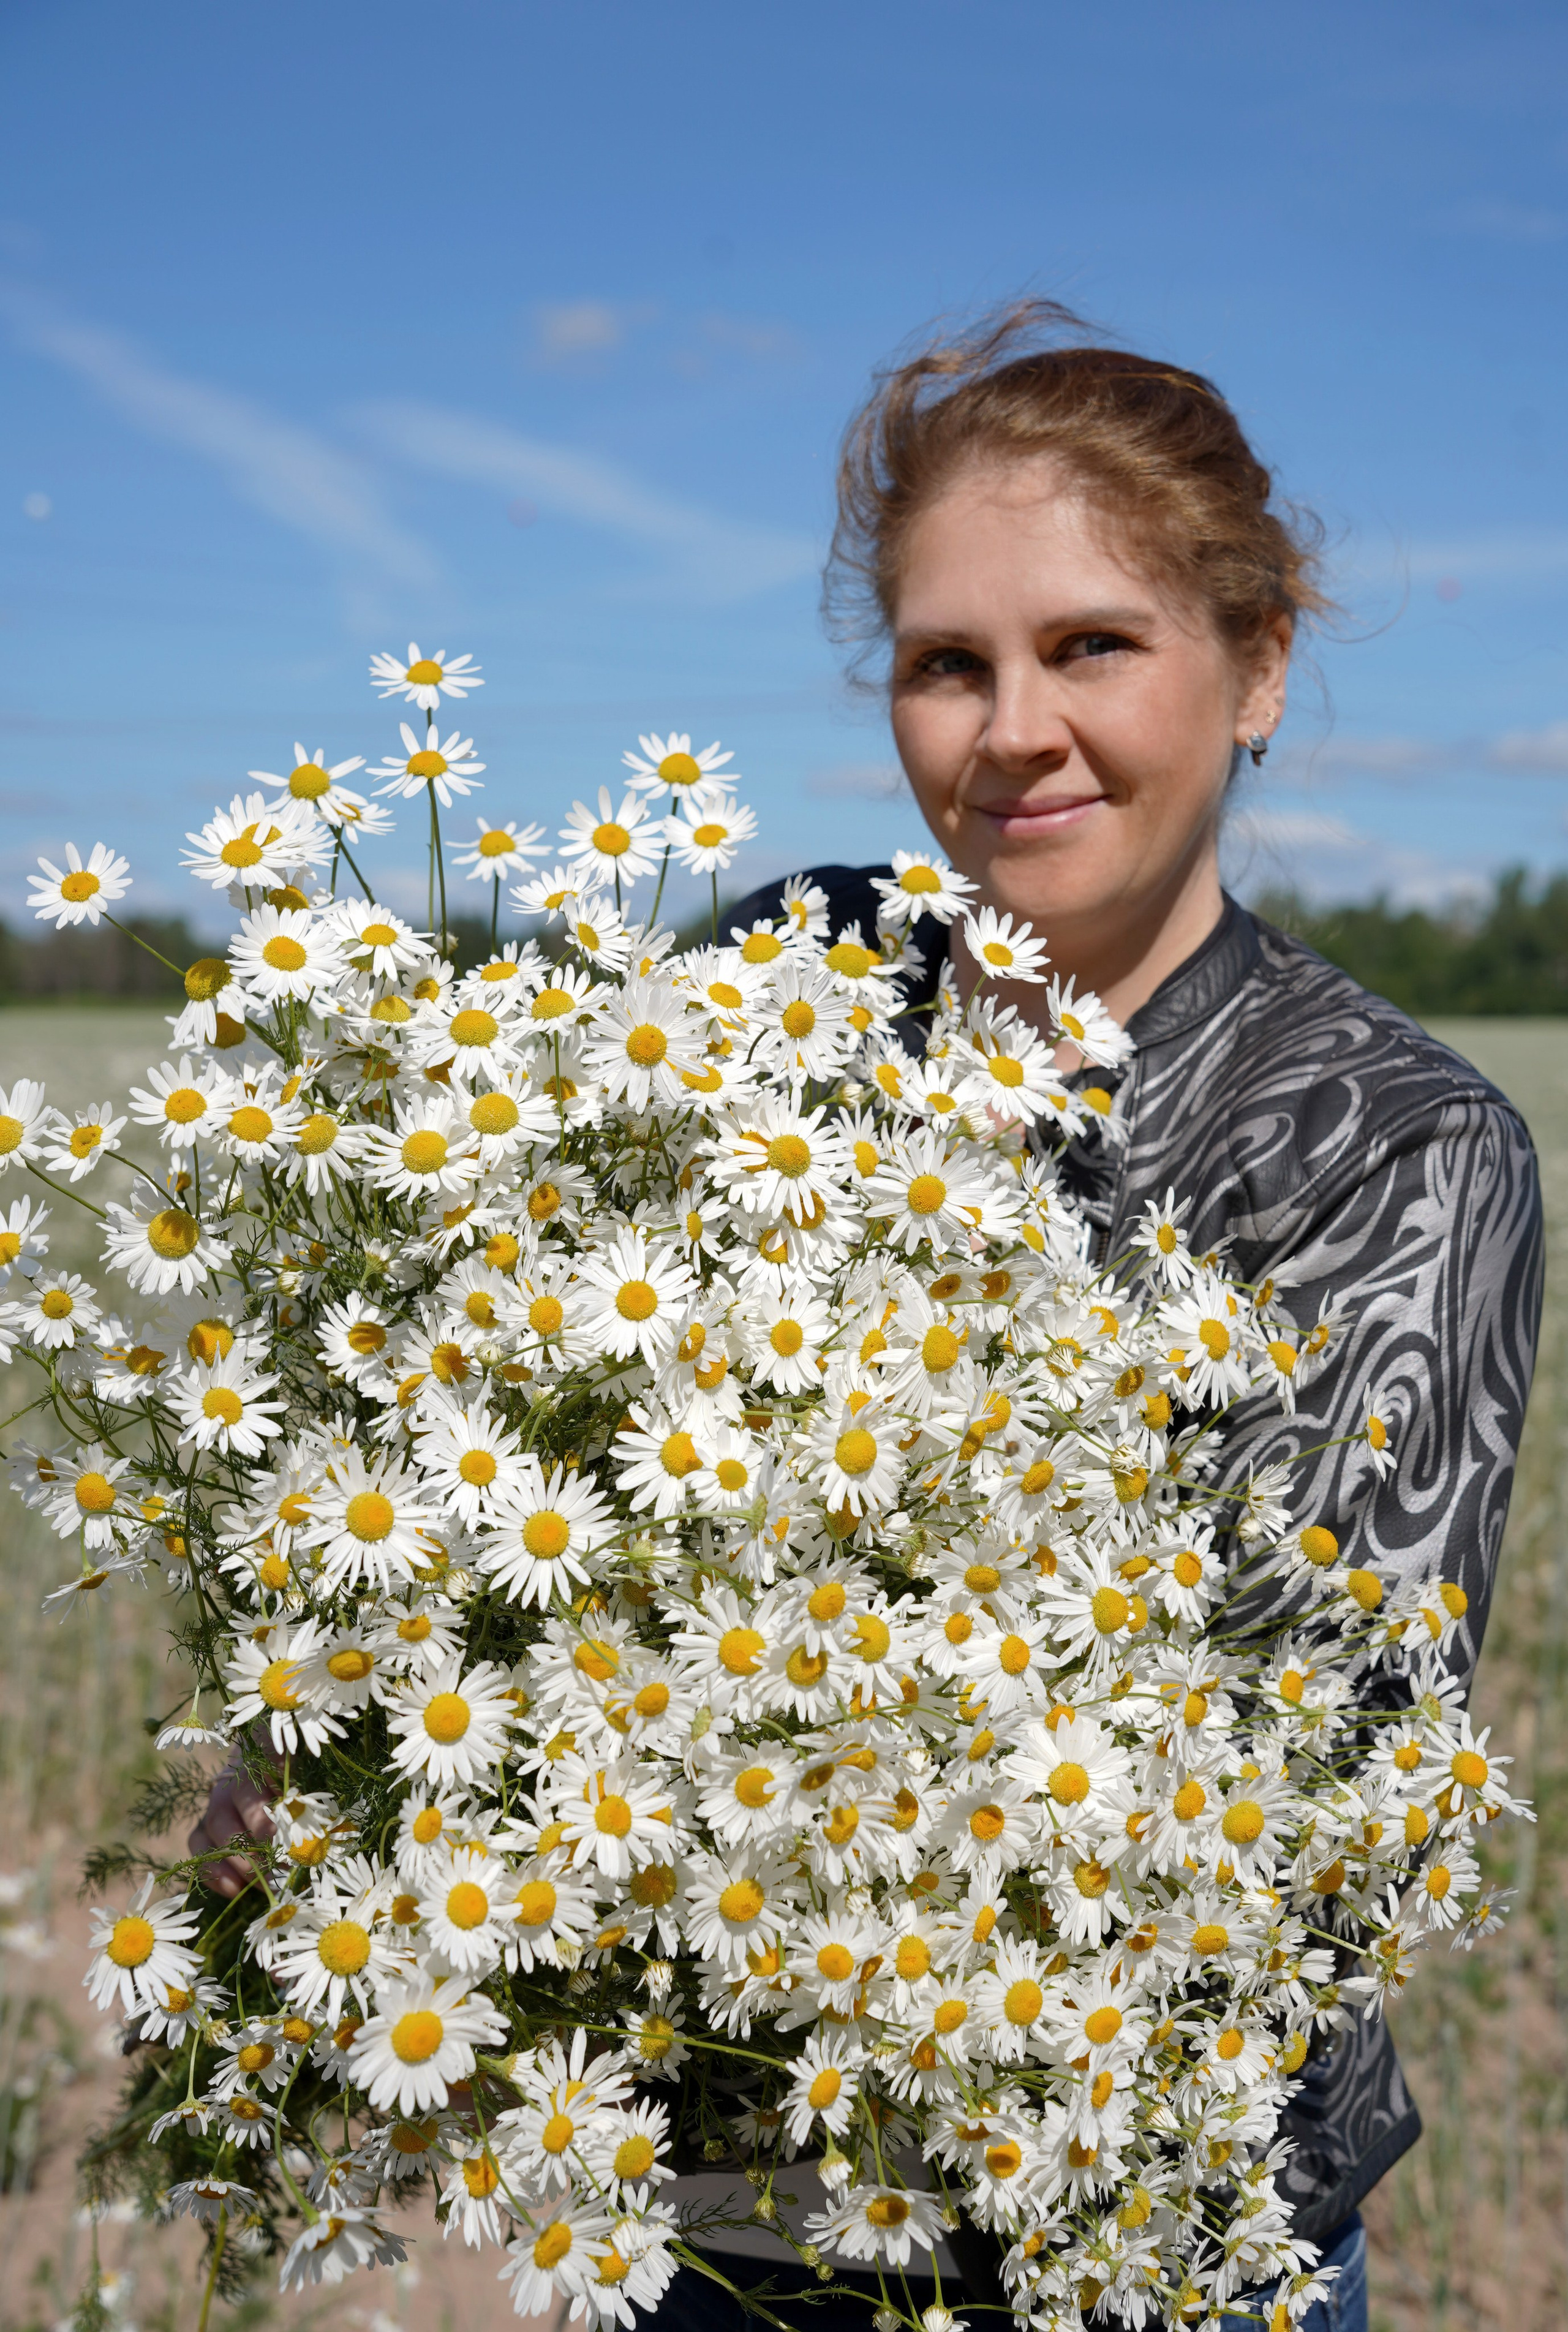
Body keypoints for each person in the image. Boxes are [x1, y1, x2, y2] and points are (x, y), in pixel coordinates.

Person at [193, 303, 1542, 2332]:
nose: (1014, 730)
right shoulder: (796, 964)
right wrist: (343, 1740)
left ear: (1257, 667)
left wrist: (663, 1783)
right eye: (947, 664)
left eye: (1094, 644)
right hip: (698, 2230)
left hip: (1133, 2240)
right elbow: (470, 1380)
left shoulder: (1391, 1142)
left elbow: (1289, 1805)